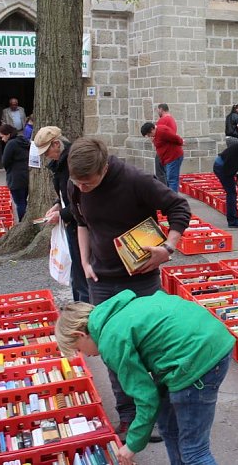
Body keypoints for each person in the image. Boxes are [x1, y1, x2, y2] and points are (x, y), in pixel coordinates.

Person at [67, 137, 191, 442]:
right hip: (102, 281)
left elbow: (179, 207)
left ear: (104, 168)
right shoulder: (76, 185)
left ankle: (161, 414)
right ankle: (128, 415)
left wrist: (168, 248)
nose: (82, 187)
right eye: (77, 182)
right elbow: (82, 223)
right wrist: (84, 262)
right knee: (113, 352)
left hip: (140, 279)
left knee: (152, 349)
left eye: (88, 182)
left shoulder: (136, 180)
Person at [56, 293, 235, 465]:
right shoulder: (114, 313)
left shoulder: (111, 341)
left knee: (194, 452)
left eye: (78, 349)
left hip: (197, 359)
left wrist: (132, 445)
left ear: (81, 335)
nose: (85, 355)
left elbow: (146, 398)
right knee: (168, 427)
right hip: (209, 338)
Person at [34, 126, 88, 303]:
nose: (46, 156)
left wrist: (62, 214)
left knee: (82, 272)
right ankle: (79, 305)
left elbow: (83, 199)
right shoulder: (61, 163)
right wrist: (58, 205)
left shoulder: (73, 163)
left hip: (81, 223)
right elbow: (67, 194)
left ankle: (85, 308)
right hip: (72, 221)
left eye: (46, 151)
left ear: (56, 144)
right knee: (77, 271)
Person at [0, 123, 30, 221]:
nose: (2, 139)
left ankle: (22, 221)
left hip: (15, 177)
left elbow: (5, 161)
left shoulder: (11, 144)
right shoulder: (23, 141)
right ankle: (24, 219)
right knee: (23, 200)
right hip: (25, 175)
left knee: (20, 202)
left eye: (2, 136)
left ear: (8, 134)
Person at [140, 121, 184, 193]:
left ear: (152, 129)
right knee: (168, 179)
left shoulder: (162, 131)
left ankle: (173, 198)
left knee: (172, 179)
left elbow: (175, 138)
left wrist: (181, 142)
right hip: (167, 158)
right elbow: (159, 144)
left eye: (149, 134)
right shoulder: (156, 134)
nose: (150, 136)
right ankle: (171, 196)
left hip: (173, 157)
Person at [154, 103, 177, 185]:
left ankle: (163, 190)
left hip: (163, 150)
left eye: (157, 110)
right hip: (169, 150)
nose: (157, 112)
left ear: (161, 109)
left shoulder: (163, 120)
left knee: (160, 173)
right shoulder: (172, 119)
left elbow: (155, 134)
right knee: (167, 173)